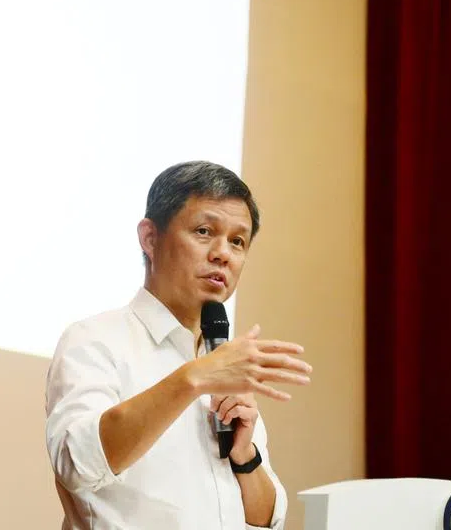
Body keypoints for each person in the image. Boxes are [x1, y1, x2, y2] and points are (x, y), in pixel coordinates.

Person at [44, 161, 312, 529]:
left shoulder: (222, 362)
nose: (223, 253)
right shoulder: (95, 340)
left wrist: (245, 456)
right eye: (204, 231)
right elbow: (77, 464)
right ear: (150, 238)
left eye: (237, 241)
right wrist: (193, 379)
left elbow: (266, 520)